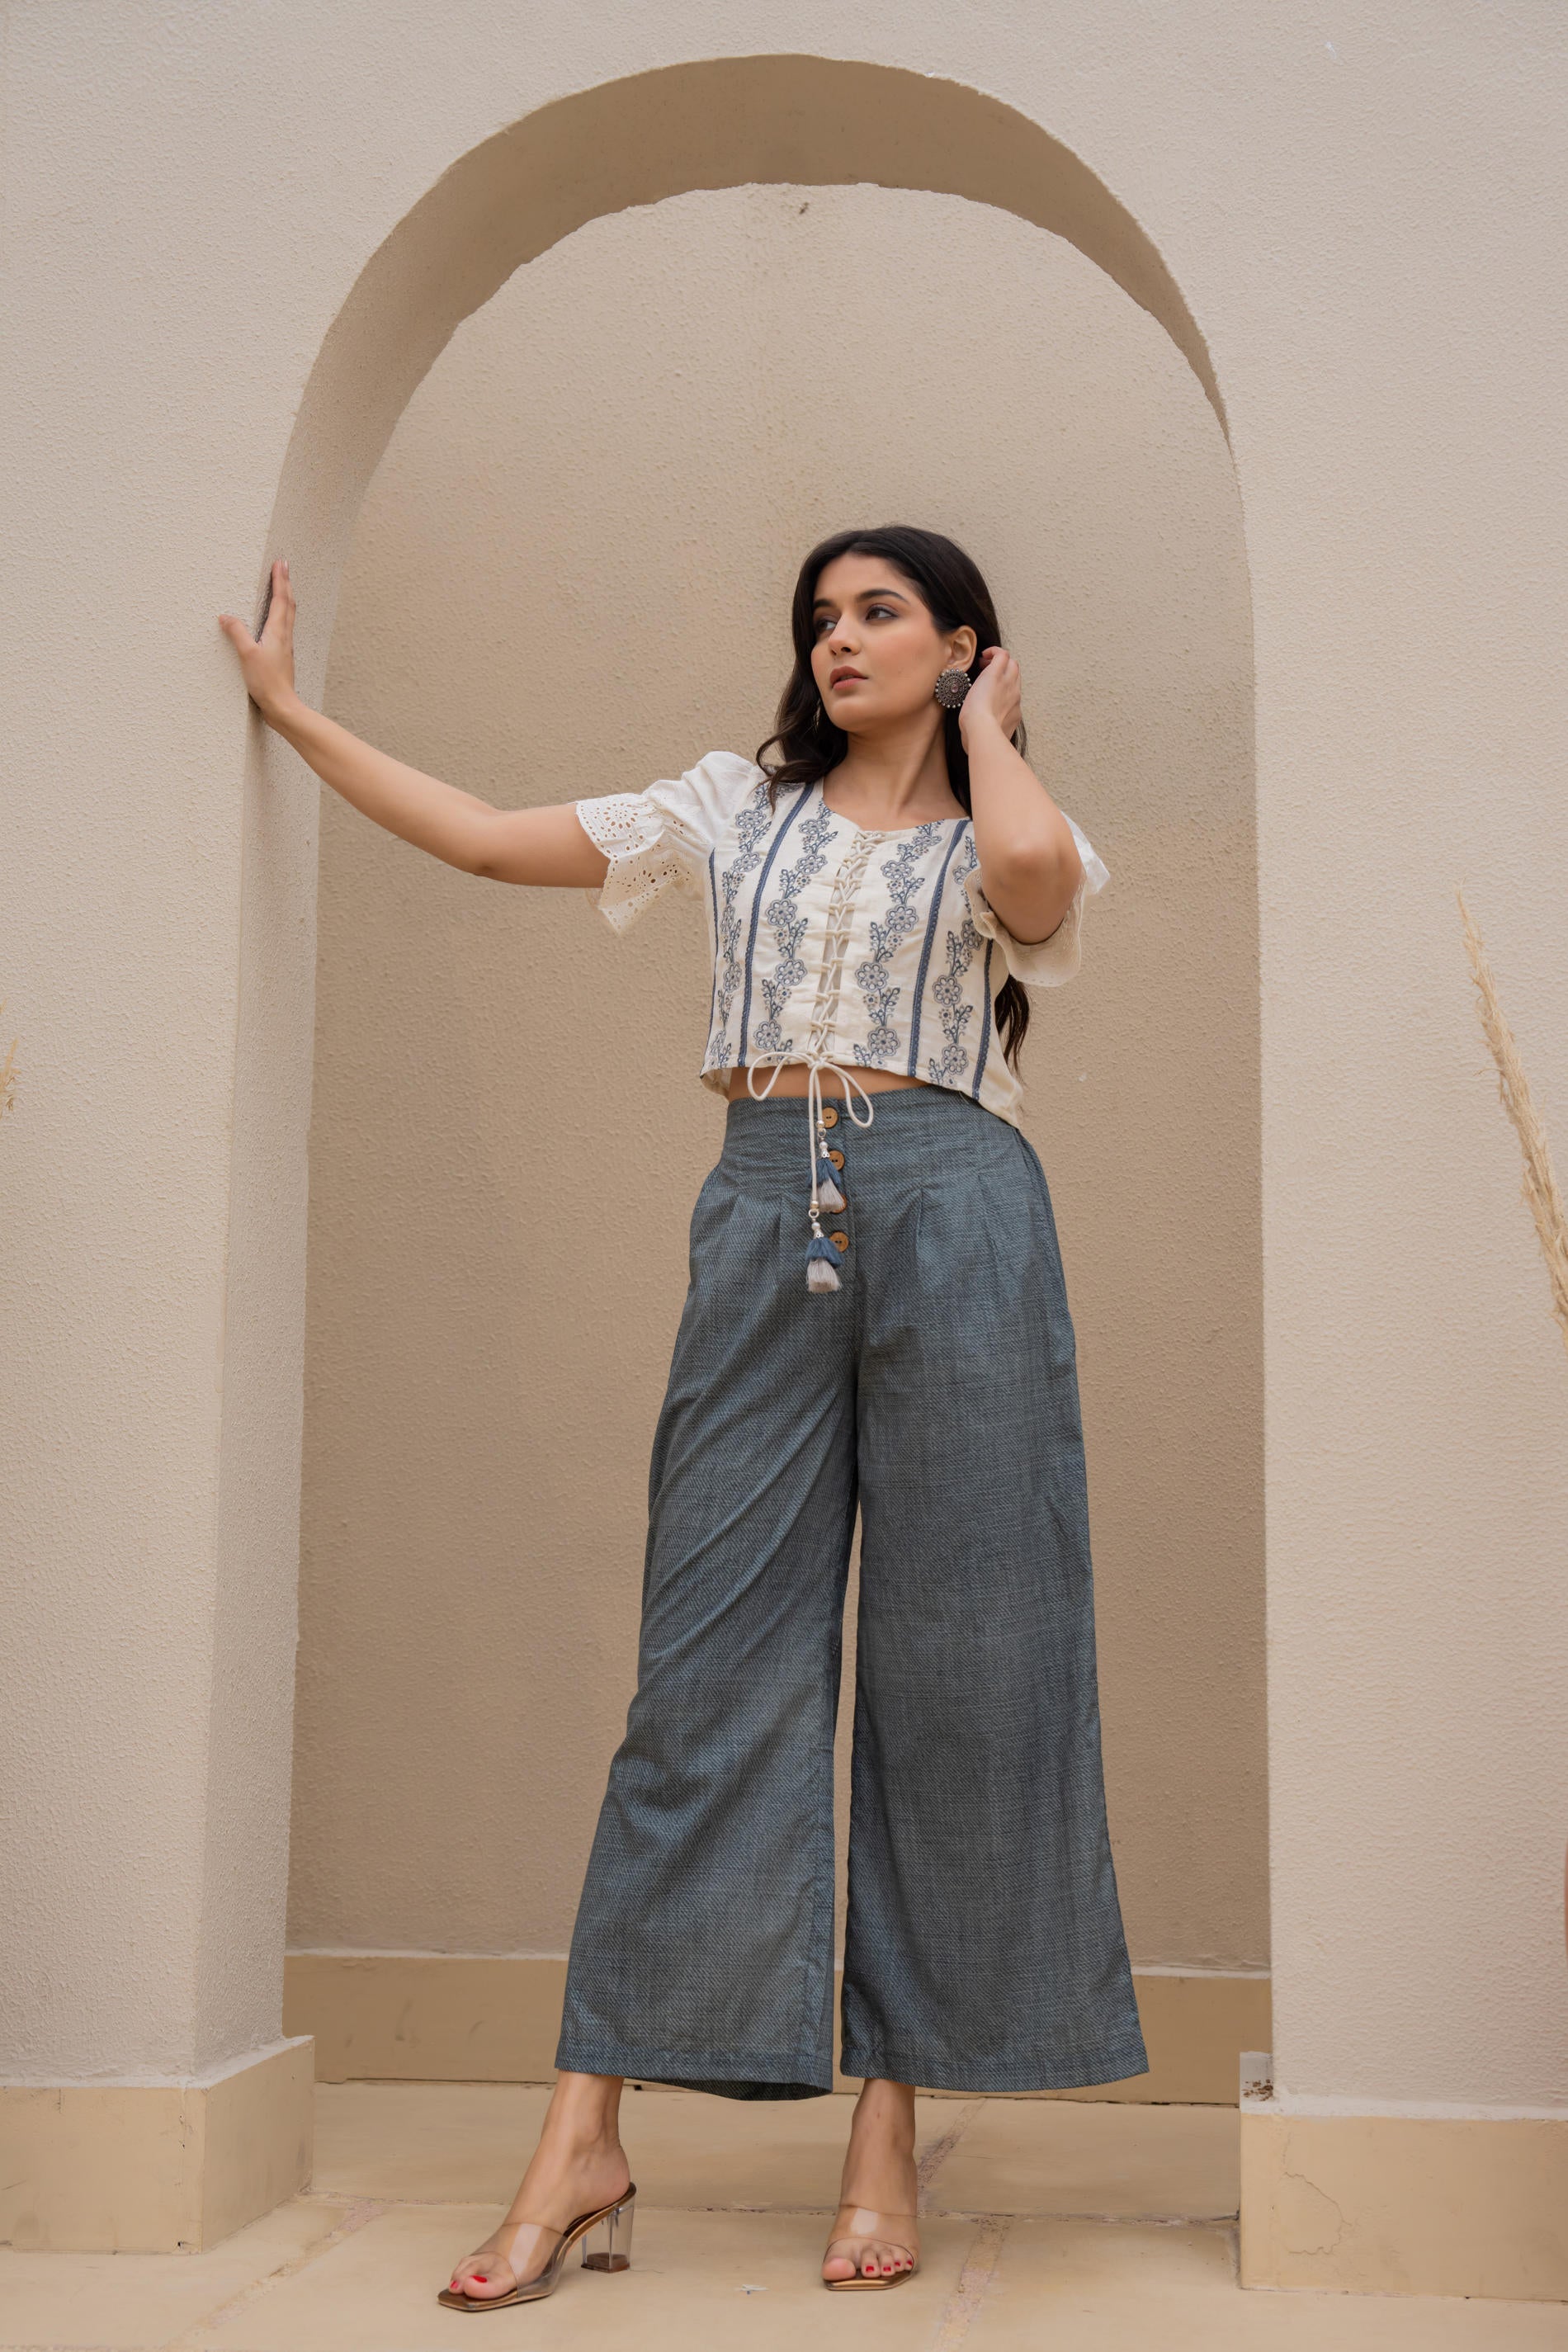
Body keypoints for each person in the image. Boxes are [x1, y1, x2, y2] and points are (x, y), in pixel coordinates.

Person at [219, 522, 1147, 2310]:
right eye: (820, 618)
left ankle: (886, 2135)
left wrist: (990, 730)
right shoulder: (732, 806)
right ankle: (582, 2136)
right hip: (764, 1205)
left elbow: (1035, 883)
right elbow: (483, 836)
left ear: (961, 644)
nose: (838, 640)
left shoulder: (997, 819)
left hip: (962, 1207)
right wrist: (291, 712)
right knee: (701, 1667)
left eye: (880, 613)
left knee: (964, 1667)